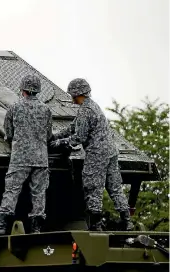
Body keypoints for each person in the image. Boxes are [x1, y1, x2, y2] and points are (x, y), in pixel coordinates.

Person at [50, 78, 134, 231]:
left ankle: (96, 224)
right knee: (115, 188)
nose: (71, 97)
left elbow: (78, 137)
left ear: (76, 94)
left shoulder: (85, 111)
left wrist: (59, 143)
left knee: (92, 187)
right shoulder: (93, 106)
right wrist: (55, 135)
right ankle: (127, 221)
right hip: (111, 152)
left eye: (72, 94)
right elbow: (73, 127)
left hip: (97, 154)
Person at [0, 75, 53, 236]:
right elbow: (49, 135)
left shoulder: (14, 107)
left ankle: (1, 226)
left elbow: (8, 133)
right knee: (39, 193)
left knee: (12, 191)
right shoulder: (46, 109)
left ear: (22, 89)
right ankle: (36, 229)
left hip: (20, 158)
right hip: (41, 158)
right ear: (38, 90)